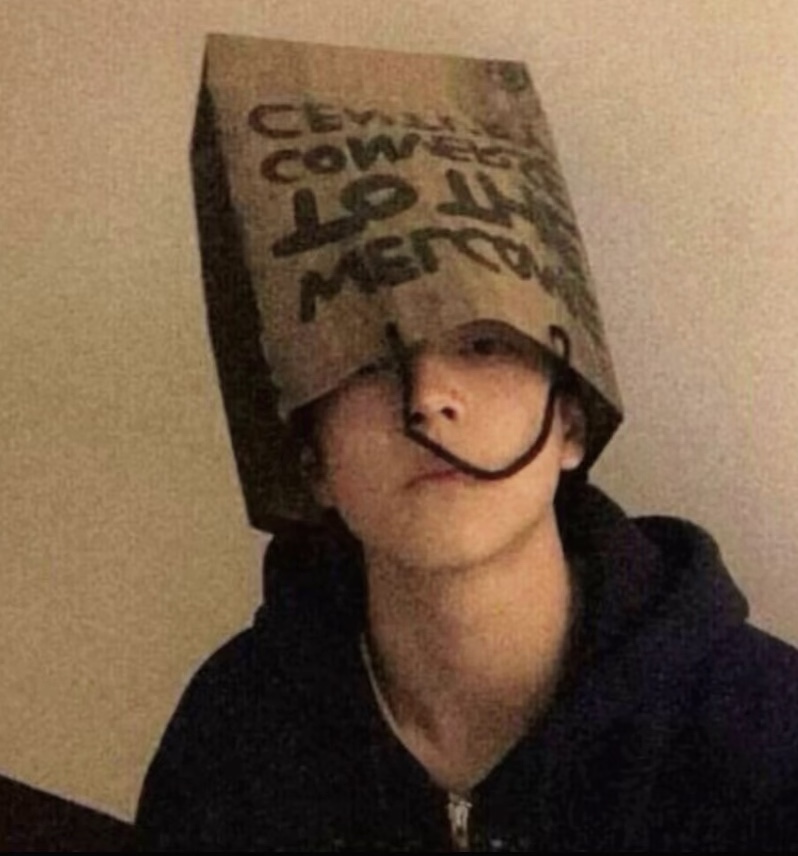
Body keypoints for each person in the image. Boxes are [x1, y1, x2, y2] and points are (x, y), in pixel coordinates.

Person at [136, 36, 798, 852]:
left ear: (571, 423)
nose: (428, 400)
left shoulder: (764, 743)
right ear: (312, 465)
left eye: (483, 344)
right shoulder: (232, 743)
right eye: (370, 363)